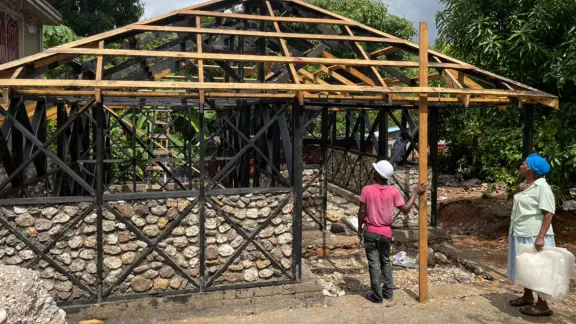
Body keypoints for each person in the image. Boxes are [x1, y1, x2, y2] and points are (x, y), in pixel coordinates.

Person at [357, 160, 426, 306]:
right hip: (386, 233)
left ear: (377, 174)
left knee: (374, 264)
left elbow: (362, 211)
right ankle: (388, 294)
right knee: (386, 262)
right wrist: (415, 193)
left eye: (375, 170)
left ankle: (377, 296)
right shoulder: (393, 191)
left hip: (370, 231)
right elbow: (406, 208)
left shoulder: (367, 190)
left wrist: (359, 228)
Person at [508, 153, 555, 316]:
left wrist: (541, 237)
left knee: (538, 269)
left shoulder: (542, 187)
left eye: (523, 164)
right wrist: (517, 189)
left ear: (531, 170)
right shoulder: (526, 185)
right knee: (525, 267)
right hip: (521, 231)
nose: (521, 166)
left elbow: (548, 213)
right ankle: (527, 296)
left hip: (534, 234)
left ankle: (543, 305)